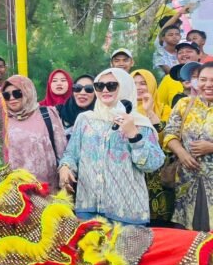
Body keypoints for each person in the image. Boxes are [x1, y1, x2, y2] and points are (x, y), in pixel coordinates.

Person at [59, 68, 164, 225]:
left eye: (112, 85)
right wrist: (65, 167)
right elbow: (71, 153)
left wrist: (133, 134)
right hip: (88, 209)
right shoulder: (85, 119)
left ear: (125, 87)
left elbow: (152, 164)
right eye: (99, 86)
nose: (105, 90)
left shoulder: (139, 123)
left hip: (127, 213)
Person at [164, 62, 213, 231]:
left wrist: (211, 147)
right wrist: (181, 153)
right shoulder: (184, 104)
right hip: (186, 181)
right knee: (186, 232)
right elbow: (170, 133)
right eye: (203, 79)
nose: (208, 84)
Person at [3, 76, 67, 191]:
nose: (12, 98)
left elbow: (62, 151)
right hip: (15, 192)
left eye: (17, 93)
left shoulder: (47, 114)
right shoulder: (2, 121)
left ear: (27, 92)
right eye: (6, 95)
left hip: (48, 190)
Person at [131, 69, 174, 227]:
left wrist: (149, 111)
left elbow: (165, 138)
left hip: (158, 174)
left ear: (151, 85)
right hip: (132, 172)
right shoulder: (122, 109)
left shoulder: (164, 109)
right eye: (134, 83)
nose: (138, 87)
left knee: (160, 222)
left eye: (143, 83)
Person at [157, 40, 202, 109]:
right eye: (180, 52)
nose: (184, 54)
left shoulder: (209, 75)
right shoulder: (169, 78)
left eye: (189, 51)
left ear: (199, 54)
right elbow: (159, 105)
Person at [56, 74, 96, 140]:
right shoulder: (57, 113)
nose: (82, 93)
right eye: (78, 88)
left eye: (89, 89)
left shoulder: (102, 118)